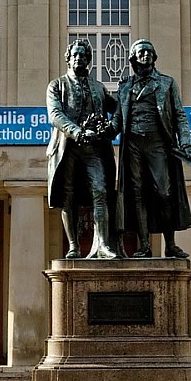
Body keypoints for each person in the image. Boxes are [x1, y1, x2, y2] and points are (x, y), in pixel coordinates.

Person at [113, 39, 191, 258]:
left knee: (164, 192)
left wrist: (185, 141)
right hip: (132, 143)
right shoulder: (125, 86)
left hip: (157, 143)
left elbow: (179, 114)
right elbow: (117, 120)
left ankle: (170, 243)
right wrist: (99, 133)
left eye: (150, 52)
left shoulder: (166, 83)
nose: (146, 55)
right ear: (133, 57)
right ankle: (144, 245)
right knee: (137, 193)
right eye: (141, 52)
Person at [46, 39, 120, 259]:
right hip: (67, 148)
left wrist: (112, 128)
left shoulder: (98, 87)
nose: (79, 58)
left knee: (100, 190)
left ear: (88, 60)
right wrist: (77, 131)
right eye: (75, 55)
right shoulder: (56, 85)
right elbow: (55, 115)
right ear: (68, 59)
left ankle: (103, 245)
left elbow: (118, 107)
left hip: (94, 149)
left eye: (83, 55)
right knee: (69, 196)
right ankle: (73, 246)